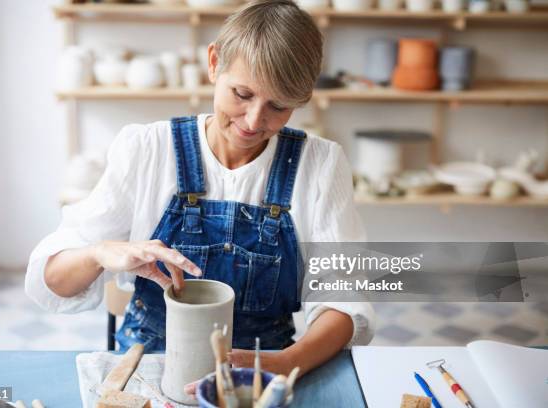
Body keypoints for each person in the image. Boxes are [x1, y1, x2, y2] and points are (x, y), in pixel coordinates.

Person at [26, 0, 374, 379]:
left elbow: (345, 300)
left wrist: (287, 362)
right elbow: (54, 281)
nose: (254, 121)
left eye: (279, 105)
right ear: (213, 63)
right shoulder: (147, 149)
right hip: (149, 362)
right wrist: (98, 253)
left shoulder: (320, 164)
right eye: (242, 94)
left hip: (264, 367)